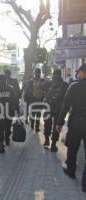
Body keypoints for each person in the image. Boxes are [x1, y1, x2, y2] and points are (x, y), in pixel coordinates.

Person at [56, 64, 86, 192]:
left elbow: (65, 105)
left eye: (78, 72)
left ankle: (71, 170)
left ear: (83, 72)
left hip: (76, 123)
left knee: (73, 148)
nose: (77, 74)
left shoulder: (74, 87)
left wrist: (59, 122)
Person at [0, 75, 19, 153]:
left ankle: (1, 144)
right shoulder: (10, 88)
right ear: (6, 80)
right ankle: (7, 139)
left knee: (0, 128)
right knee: (8, 125)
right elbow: (16, 100)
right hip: (9, 111)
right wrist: (17, 109)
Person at [43, 69, 68, 152]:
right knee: (56, 126)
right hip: (59, 109)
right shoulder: (65, 85)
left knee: (47, 124)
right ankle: (53, 144)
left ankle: (46, 140)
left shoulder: (48, 83)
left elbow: (43, 92)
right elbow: (67, 98)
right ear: (60, 75)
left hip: (48, 107)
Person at [24, 68, 46, 132]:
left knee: (33, 113)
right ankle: (36, 127)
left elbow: (26, 91)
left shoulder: (31, 81)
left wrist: (26, 99)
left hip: (33, 100)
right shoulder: (42, 81)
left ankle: (33, 126)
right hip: (39, 100)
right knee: (38, 114)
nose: (37, 74)